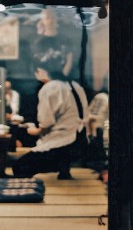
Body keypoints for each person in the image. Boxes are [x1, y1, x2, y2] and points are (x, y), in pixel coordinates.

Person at [11, 49, 88, 180]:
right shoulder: (75, 85)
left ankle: (60, 163)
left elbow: (46, 123)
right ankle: (64, 168)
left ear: (41, 71)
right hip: (80, 140)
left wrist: (33, 130)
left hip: (62, 143)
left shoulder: (50, 87)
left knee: (19, 167)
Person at [32, 8, 74, 78]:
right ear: (42, 21)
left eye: (53, 17)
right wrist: (47, 81)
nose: (50, 21)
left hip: (64, 81)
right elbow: (36, 66)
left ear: (57, 19)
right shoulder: (38, 43)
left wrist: (61, 79)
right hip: (44, 82)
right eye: (47, 18)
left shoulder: (66, 40)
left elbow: (69, 60)